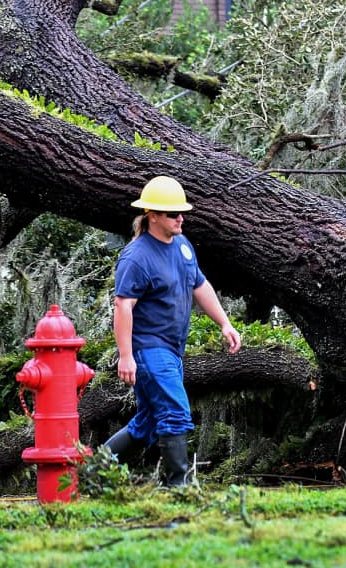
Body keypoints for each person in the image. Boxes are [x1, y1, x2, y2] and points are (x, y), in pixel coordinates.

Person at [102, 176, 241, 486]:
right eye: (172, 214)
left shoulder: (181, 244)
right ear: (152, 216)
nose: (181, 218)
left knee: (147, 424)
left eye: (181, 213)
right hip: (149, 349)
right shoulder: (137, 257)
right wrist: (126, 356)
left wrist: (225, 323)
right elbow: (123, 307)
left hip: (173, 349)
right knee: (176, 412)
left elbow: (200, 285)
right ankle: (178, 487)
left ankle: (90, 471)